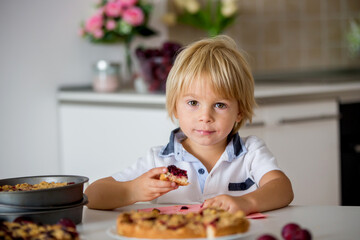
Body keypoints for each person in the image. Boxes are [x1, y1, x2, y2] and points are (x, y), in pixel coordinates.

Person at [85, 35, 294, 215]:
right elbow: (92, 195)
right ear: (175, 107)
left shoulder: (251, 153)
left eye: (220, 105)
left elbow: (283, 189)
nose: (205, 116)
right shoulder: (159, 160)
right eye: (193, 103)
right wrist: (131, 191)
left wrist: (247, 202)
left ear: (239, 111)